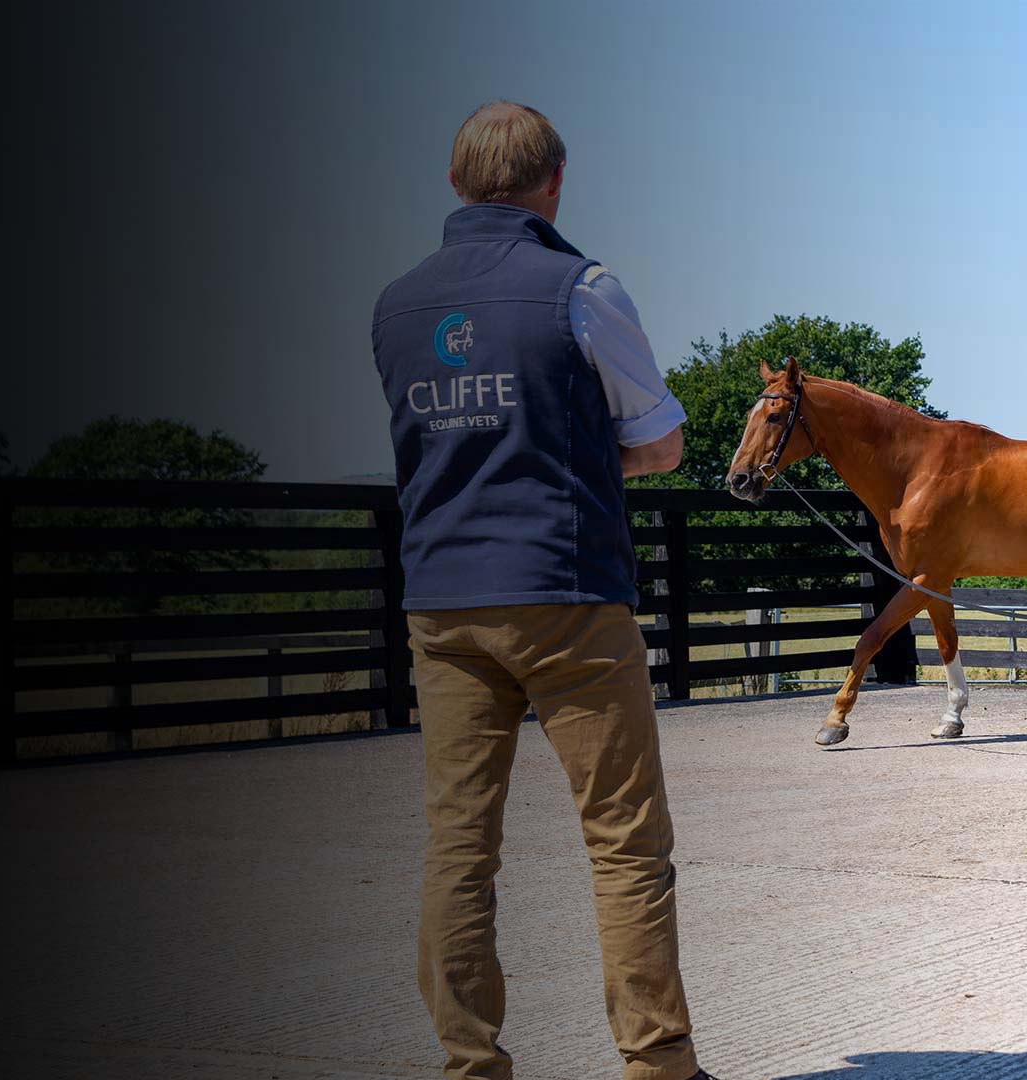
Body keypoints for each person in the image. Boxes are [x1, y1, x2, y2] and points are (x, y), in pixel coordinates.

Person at [372, 101, 714, 1080]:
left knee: (459, 850)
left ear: (454, 184)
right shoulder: (581, 286)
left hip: (441, 604)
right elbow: (660, 440)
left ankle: (470, 1068)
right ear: (554, 182)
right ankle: (658, 1069)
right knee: (625, 847)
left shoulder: (396, 305)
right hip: (564, 595)